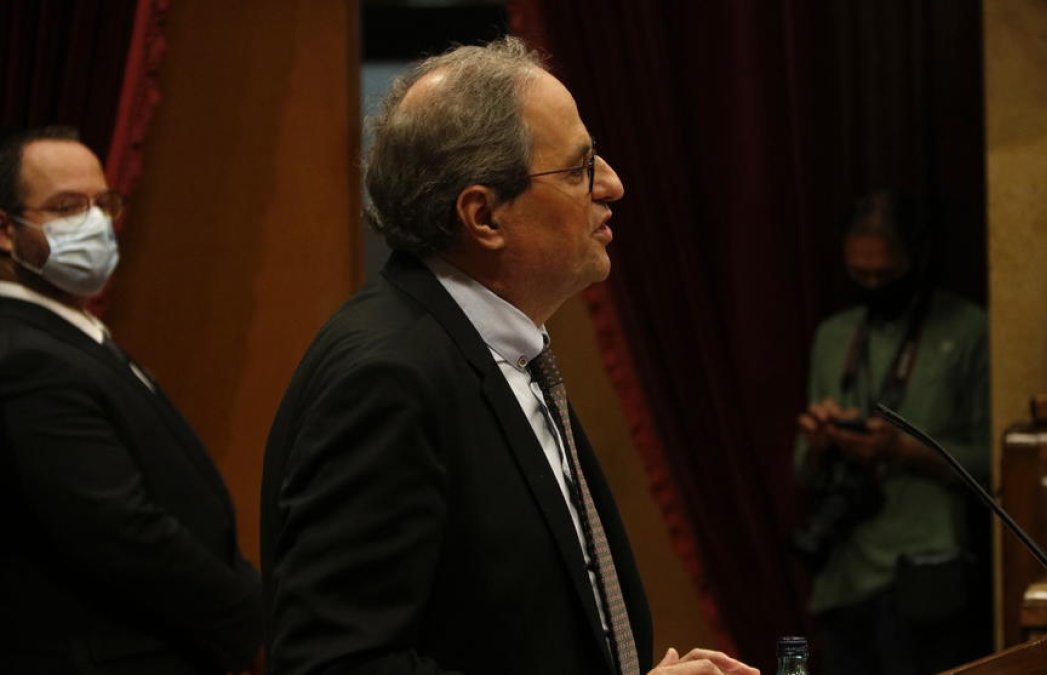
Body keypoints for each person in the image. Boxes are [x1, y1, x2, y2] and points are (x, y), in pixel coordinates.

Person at [260, 37, 758, 675]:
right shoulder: (388, 377)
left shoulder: (499, 349)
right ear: (484, 215)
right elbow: (335, 665)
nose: (613, 184)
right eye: (579, 168)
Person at [0, 126, 263, 673]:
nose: (95, 223)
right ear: (6, 231)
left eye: (104, 203)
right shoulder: (25, 356)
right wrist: (253, 620)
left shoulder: (69, 329)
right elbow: (120, 532)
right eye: (67, 207)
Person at [792, 191, 990, 675]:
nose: (875, 286)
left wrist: (901, 450)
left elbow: (995, 465)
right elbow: (801, 470)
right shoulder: (834, 336)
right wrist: (821, 443)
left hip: (926, 572)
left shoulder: (967, 330)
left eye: (887, 275)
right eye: (861, 276)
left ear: (916, 259)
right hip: (844, 572)